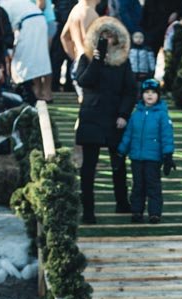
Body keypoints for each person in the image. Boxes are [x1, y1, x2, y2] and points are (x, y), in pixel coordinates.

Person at [75, 15, 136, 223]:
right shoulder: (87, 58)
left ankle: (122, 202)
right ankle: (88, 210)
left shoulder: (123, 62)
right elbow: (84, 81)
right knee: (88, 168)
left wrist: (123, 114)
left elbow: (130, 91)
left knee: (119, 165)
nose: (107, 39)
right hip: (91, 117)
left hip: (114, 119)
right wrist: (97, 59)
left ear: (117, 38)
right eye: (103, 36)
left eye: (110, 36)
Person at [118, 78, 175, 223]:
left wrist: (168, 155)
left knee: (153, 185)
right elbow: (129, 134)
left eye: (153, 93)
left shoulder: (162, 115)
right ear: (142, 95)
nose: (150, 95)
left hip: (153, 158)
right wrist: (121, 151)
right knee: (138, 186)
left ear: (158, 95)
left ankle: (154, 213)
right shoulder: (136, 114)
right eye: (146, 92)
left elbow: (167, 136)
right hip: (136, 157)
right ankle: (137, 211)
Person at [0, 0, 53, 102]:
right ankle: (41, 92)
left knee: (28, 58)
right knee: (40, 57)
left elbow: (6, 29)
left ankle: (40, 92)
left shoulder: (2, 5)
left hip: (30, 24)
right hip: (36, 21)